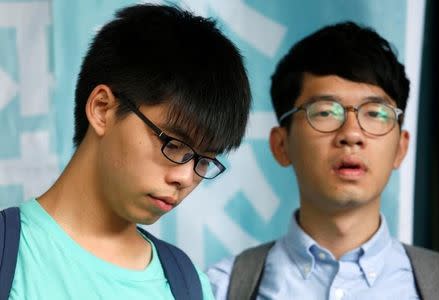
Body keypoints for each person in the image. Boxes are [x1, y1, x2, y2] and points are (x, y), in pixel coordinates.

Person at [1, 3, 251, 299]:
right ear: (102, 109)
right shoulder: (11, 258)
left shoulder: (189, 285)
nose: (185, 177)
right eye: (173, 143)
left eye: (205, 159)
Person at [207, 21, 439, 299]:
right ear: (281, 145)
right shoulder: (221, 288)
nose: (351, 134)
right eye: (324, 112)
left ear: (400, 148)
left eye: (375, 113)